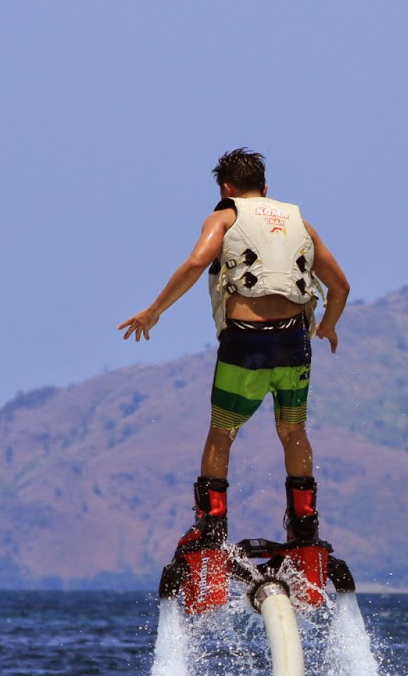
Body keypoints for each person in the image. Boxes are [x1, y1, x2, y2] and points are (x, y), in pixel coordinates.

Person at [119, 148, 350, 554]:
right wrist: (327, 325)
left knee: (222, 433)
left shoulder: (225, 217)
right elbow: (341, 286)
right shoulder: (302, 223)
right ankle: (305, 528)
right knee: (293, 431)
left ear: (226, 188)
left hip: (247, 340)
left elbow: (195, 265)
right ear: (265, 187)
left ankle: (211, 527)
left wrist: (153, 311)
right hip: (294, 339)